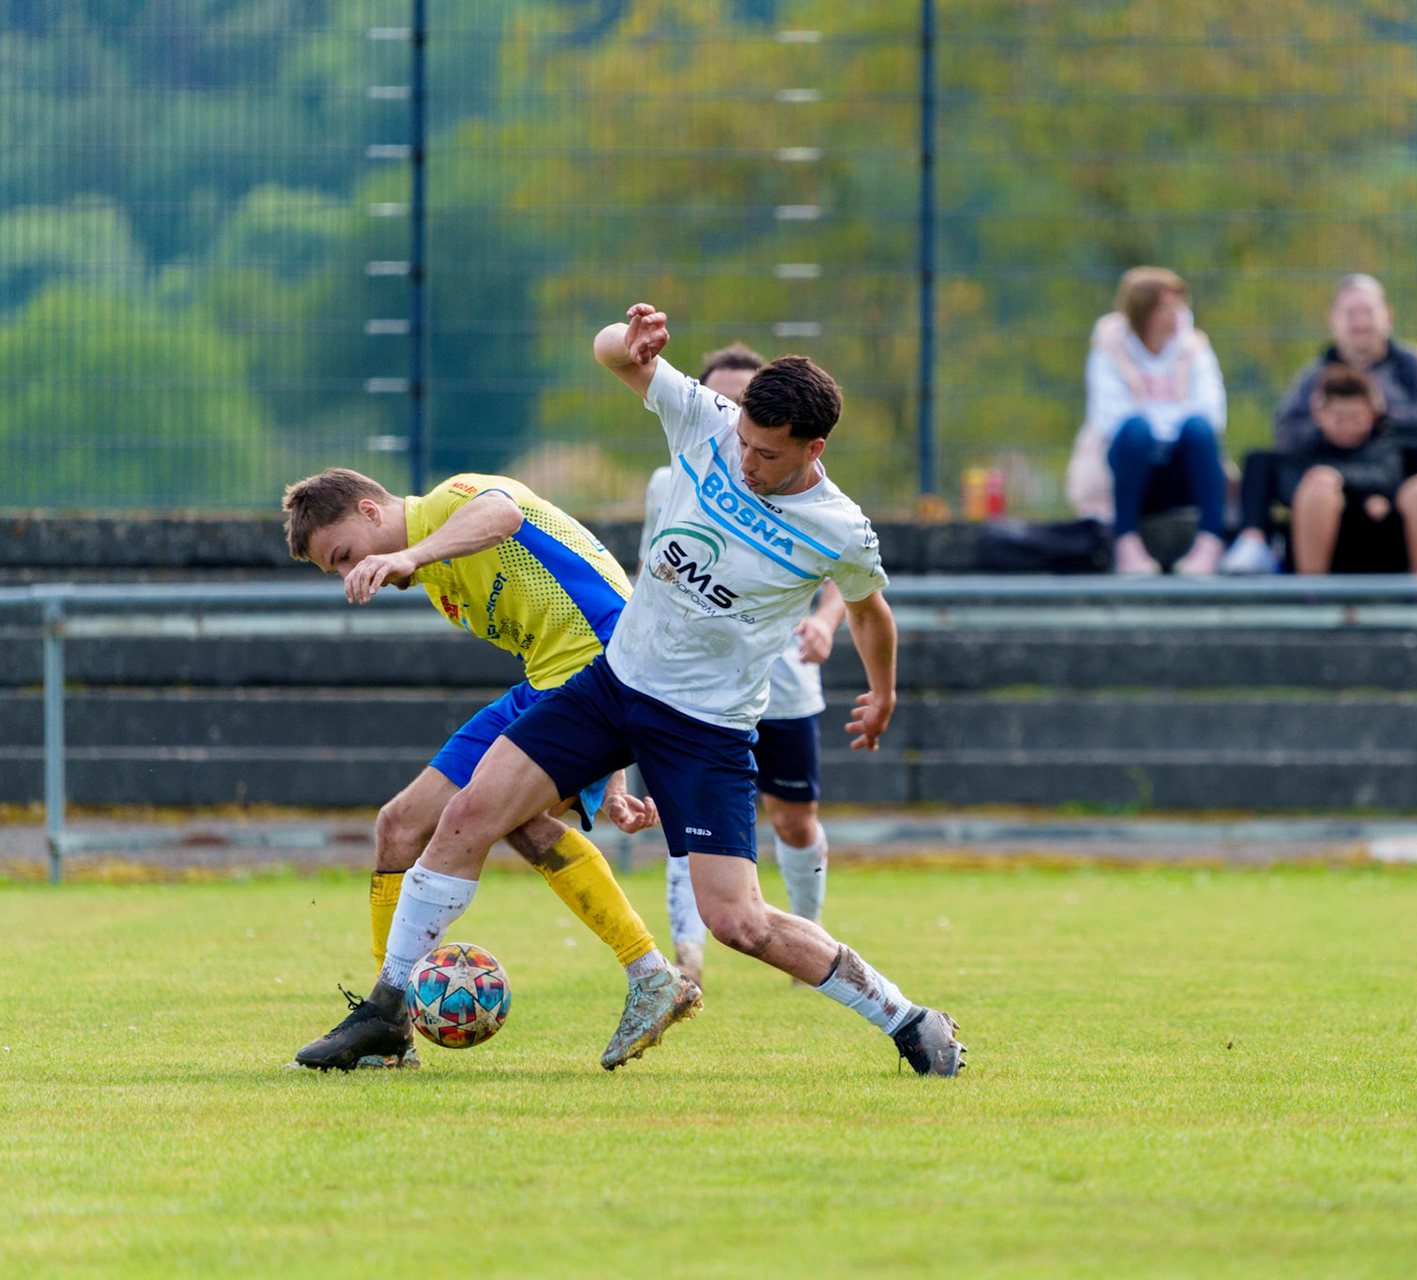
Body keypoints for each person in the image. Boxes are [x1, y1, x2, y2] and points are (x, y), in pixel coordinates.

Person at [291, 302, 965, 1077]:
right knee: (470, 814)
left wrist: (882, 694)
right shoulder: (712, 425)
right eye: (744, 440)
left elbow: (871, 613)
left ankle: (908, 1019)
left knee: (737, 922)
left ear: (814, 449)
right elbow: (613, 354)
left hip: (704, 728)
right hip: (612, 684)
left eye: (768, 455)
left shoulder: (840, 528)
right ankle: (386, 1011)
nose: (746, 461)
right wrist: (629, 340)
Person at [280, 467, 672, 1071]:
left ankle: (650, 973)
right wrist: (612, 780)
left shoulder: (450, 500)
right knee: (399, 825)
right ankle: (393, 1026)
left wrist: (411, 553)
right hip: (545, 684)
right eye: (334, 569)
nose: (348, 575)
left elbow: (505, 515)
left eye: (344, 556)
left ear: (370, 511)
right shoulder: (439, 581)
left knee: (510, 818)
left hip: (600, 667)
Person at [635, 342, 846, 988]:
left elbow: (855, 582)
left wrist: (823, 623)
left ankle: (806, 948)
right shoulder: (675, 479)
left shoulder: (806, 489)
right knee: (686, 822)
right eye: (722, 402)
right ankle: (686, 958)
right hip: (693, 691)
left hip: (780, 688)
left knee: (793, 819)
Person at [1221, 273, 1417, 576]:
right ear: (1333, 320)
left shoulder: (1414, 366)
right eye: (1350, 313)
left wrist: (1381, 423)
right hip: (1326, 474)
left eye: (1367, 312)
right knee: (1262, 461)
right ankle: (1254, 542)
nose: (1359, 322)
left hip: (1395, 471)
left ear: (1387, 316)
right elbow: (1285, 432)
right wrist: (1330, 429)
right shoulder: (1312, 376)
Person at [1065, 266, 1229, 575]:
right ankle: (1124, 541)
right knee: (1135, 431)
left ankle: (1210, 541)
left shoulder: (1195, 350)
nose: (1176, 315)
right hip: (1129, 469)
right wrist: (1161, 420)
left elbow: (1211, 411)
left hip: (1181, 468)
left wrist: (1159, 421)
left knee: (1199, 430)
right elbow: (1108, 418)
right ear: (1144, 312)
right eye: (1167, 308)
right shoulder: (1108, 351)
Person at [1281, 364, 1417, 576]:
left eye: (1355, 418)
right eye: (1339, 418)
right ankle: (1312, 594)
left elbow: (1386, 476)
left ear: (1373, 414)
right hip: (1334, 541)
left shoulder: (1386, 441)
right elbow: (1289, 485)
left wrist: (1341, 478)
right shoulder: (1304, 444)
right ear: (1319, 414)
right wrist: (1359, 496)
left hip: (1388, 535)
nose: (1347, 427)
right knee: (1317, 490)